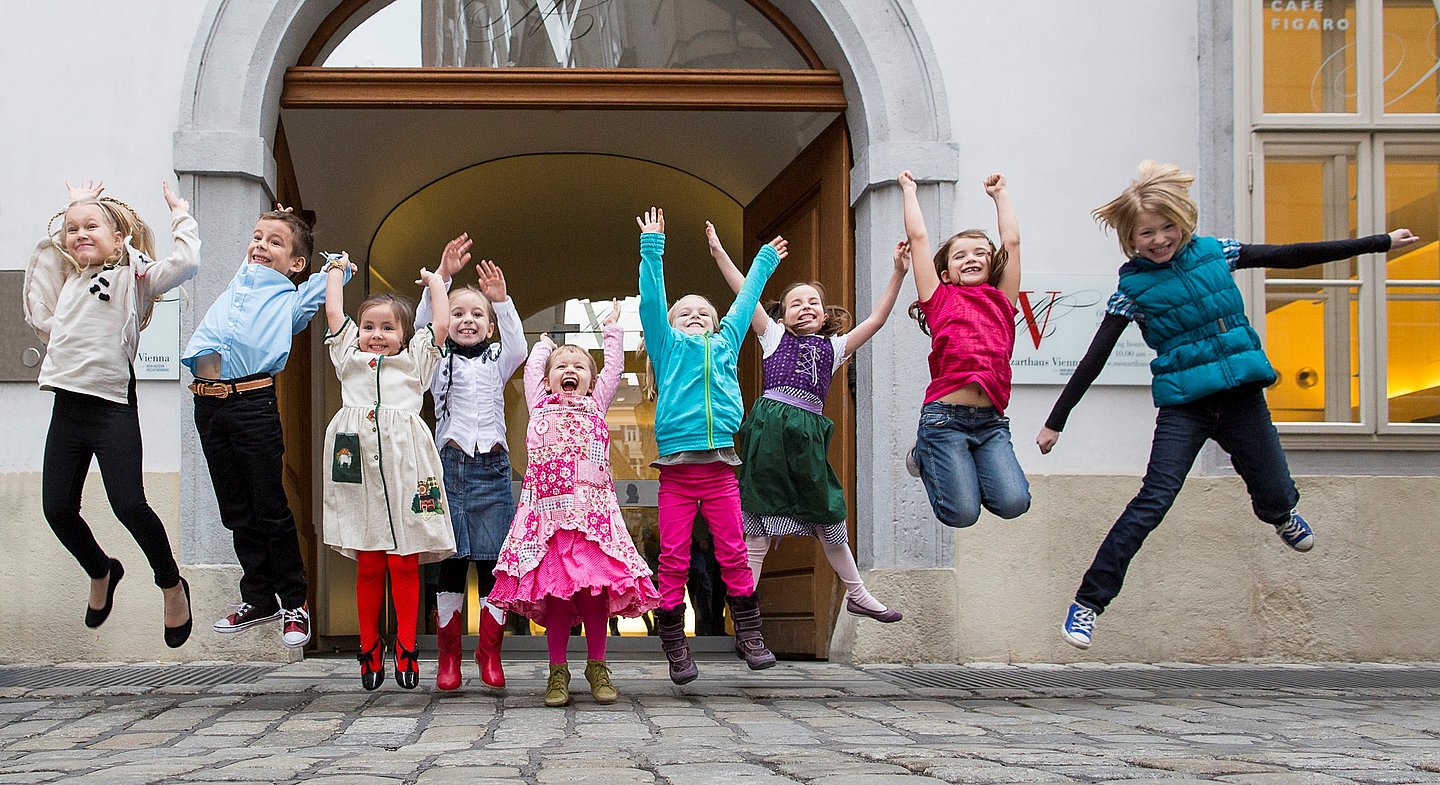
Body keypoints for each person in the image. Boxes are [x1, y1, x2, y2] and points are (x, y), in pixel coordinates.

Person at [1038, 160, 1421, 650]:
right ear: (1130, 240)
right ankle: (1087, 605)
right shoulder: (1131, 290)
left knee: (1278, 493)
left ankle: (1281, 515)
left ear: (1183, 220)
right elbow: (1094, 358)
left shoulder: (1217, 252)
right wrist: (1055, 423)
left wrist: (1378, 242)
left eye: (1166, 227)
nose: (1158, 240)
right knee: (1152, 500)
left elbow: (1292, 255)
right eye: (1146, 234)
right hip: (1186, 406)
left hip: (1240, 395)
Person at [23, 180, 198, 648]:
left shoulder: (132, 278)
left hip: (112, 406)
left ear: (119, 238)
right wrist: (71, 209)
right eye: (72, 229)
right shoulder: (68, 282)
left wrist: (180, 213)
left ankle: (171, 584)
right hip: (68, 405)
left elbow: (186, 263)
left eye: (92, 226)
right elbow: (41, 279)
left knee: (129, 505)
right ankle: (102, 570)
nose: (80, 233)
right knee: (57, 508)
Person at [706, 221, 909, 624]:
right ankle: (744, 610)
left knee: (829, 517)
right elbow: (744, 292)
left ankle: (859, 594)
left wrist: (899, 273)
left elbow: (878, 320)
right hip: (769, 439)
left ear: (824, 313)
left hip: (807, 444)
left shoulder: (834, 347)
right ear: (783, 312)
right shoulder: (773, 336)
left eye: (813, 301)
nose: (805, 306)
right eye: (796, 302)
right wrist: (717, 252)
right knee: (758, 529)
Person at [184, 205, 347, 649]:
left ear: (296, 263)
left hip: (253, 403)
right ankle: (258, 598)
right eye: (257, 238)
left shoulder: (291, 300)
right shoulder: (243, 276)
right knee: (235, 509)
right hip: (208, 404)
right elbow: (257, 250)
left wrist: (325, 254)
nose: (261, 246)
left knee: (269, 506)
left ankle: (295, 601)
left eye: (275, 243)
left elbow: (337, 266)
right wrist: (275, 227)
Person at [489, 302, 662, 707]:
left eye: (579, 366)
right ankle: (557, 671)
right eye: (561, 366)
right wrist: (542, 347)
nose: (570, 370)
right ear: (547, 381)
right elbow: (533, 370)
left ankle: (597, 664)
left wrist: (613, 332)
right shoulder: (540, 405)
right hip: (546, 520)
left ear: (591, 381)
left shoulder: (596, 405)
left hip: (592, 520)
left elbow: (614, 370)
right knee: (557, 598)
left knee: (594, 593)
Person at [636, 207, 782, 684]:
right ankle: (676, 645)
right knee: (674, 558)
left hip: (720, 470)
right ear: (673, 325)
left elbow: (743, 307)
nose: (695, 316)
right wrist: (652, 250)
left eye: (704, 312)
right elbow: (652, 304)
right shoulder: (667, 345)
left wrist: (762, 263)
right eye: (686, 312)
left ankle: (749, 633)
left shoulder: (725, 343)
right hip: (677, 474)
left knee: (734, 552)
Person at [321, 255, 457, 689]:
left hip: (406, 465)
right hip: (357, 464)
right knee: (368, 560)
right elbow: (333, 313)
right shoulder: (347, 357)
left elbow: (439, 325)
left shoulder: (416, 362)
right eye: (369, 327)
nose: (376, 335)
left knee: (404, 559)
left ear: (403, 335)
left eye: (387, 328)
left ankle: (406, 645)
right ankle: (368, 646)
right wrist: (336, 275)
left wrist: (437, 283)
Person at [414, 234, 526, 692]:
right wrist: (441, 280)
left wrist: (502, 302)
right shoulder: (437, 360)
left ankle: (490, 652)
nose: (466, 321)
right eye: (458, 314)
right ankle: (448, 656)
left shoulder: (500, 357)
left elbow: (519, 346)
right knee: (450, 562)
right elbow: (424, 328)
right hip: (449, 469)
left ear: (489, 325)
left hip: (493, 471)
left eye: (476, 315)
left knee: (494, 562)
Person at [899, 170, 1032, 529]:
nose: (970, 258)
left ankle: (965, 468)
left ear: (992, 265)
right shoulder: (940, 299)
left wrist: (1000, 194)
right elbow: (919, 237)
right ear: (946, 273)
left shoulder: (1002, 300)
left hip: (990, 423)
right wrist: (909, 190)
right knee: (962, 515)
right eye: (959, 256)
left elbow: (1013, 244)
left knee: (1015, 502)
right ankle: (926, 454)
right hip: (944, 419)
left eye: (979, 253)